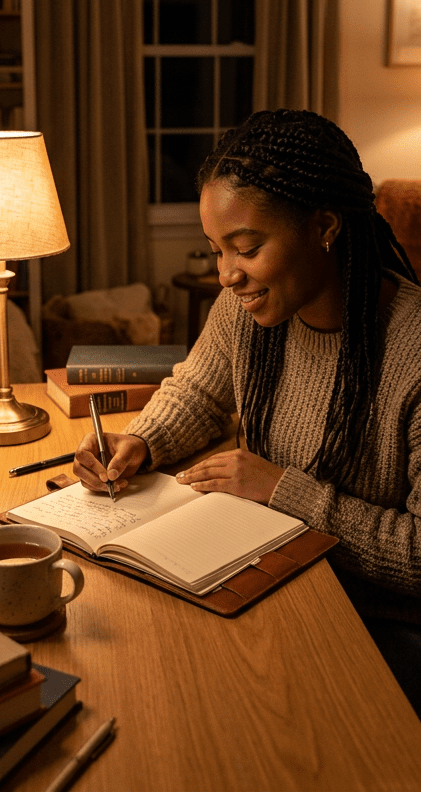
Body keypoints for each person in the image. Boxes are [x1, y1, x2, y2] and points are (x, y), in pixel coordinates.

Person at [72, 109, 421, 713]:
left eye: (247, 248)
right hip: (269, 577)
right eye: (215, 250)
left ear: (325, 227)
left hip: (376, 625)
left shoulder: (411, 351)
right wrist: (140, 441)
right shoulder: (250, 310)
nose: (226, 275)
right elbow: (199, 392)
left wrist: (288, 492)